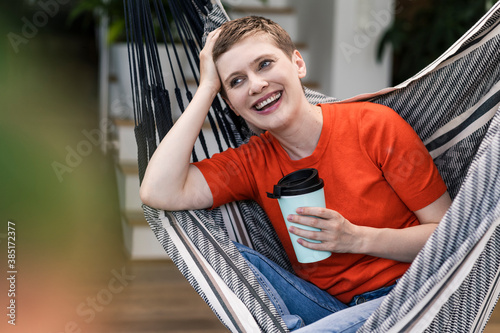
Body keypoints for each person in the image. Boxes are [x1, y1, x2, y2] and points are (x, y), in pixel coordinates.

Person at [140, 16, 452, 332]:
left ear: (297, 64)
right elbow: (158, 191)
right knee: (217, 250)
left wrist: (356, 239)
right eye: (236, 81)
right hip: (323, 308)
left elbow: (450, 236)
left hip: (407, 300)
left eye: (264, 64)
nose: (256, 85)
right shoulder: (251, 162)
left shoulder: (374, 126)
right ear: (232, 105)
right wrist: (207, 86)